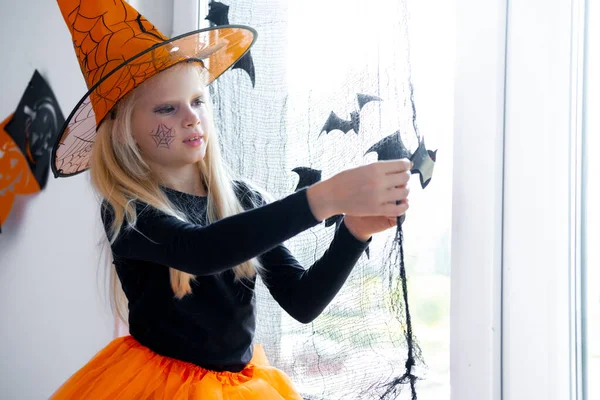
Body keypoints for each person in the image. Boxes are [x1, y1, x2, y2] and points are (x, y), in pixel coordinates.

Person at [50, 1, 411, 399]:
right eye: (167, 109)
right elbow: (200, 251)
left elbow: (302, 301)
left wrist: (353, 233)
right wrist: (322, 198)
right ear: (125, 131)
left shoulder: (242, 197)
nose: (190, 118)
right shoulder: (128, 210)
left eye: (198, 101)